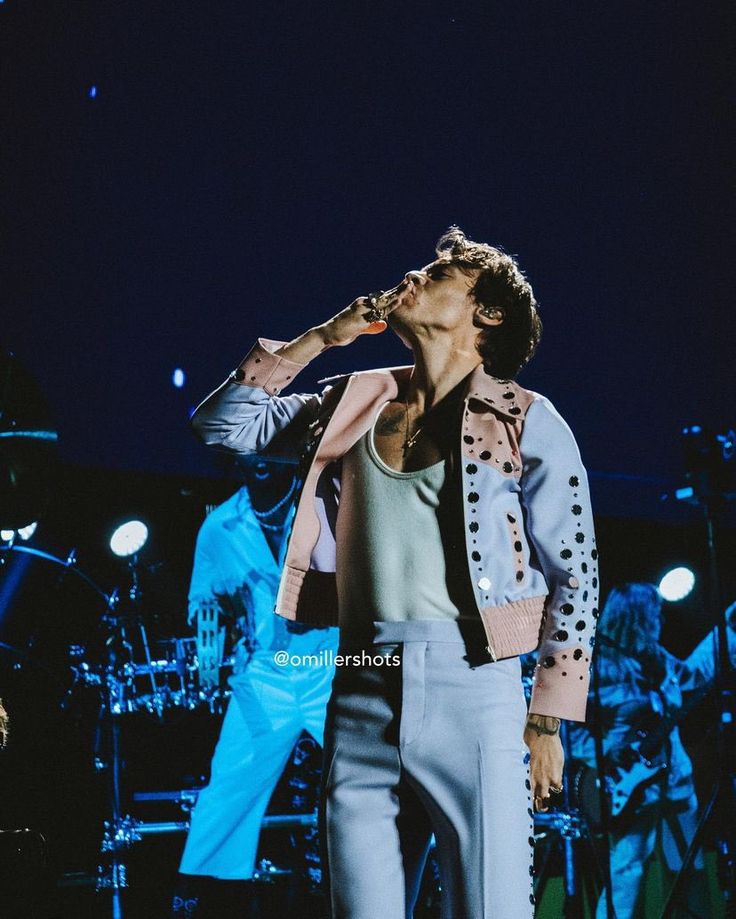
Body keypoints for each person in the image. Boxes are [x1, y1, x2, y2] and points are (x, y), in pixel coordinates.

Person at [189, 226, 599, 918]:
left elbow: (576, 576)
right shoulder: (350, 400)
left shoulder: (529, 420)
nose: (417, 271)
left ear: (488, 313)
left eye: (442, 270)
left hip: (475, 686)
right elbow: (222, 426)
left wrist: (548, 721)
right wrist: (321, 337)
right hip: (358, 686)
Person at [171, 455, 339, 916]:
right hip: (264, 674)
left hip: (332, 664)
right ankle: (206, 901)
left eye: (269, 445)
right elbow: (202, 600)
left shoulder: (326, 505)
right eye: (248, 448)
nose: (260, 458)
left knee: (374, 775)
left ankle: (412, 882)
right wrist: (210, 623)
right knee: (226, 791)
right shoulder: (221, 526)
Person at [571, 583, 712, 919]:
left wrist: (726, 631)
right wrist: (605, 754)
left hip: (676, 777)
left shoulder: (655, 658)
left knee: (688, 865)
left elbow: (694, 676)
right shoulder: (598, 666)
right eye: (655, 614)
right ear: (639, 617)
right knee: (628, 868)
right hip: (631, 787)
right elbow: (572, 734)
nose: (660, 620)